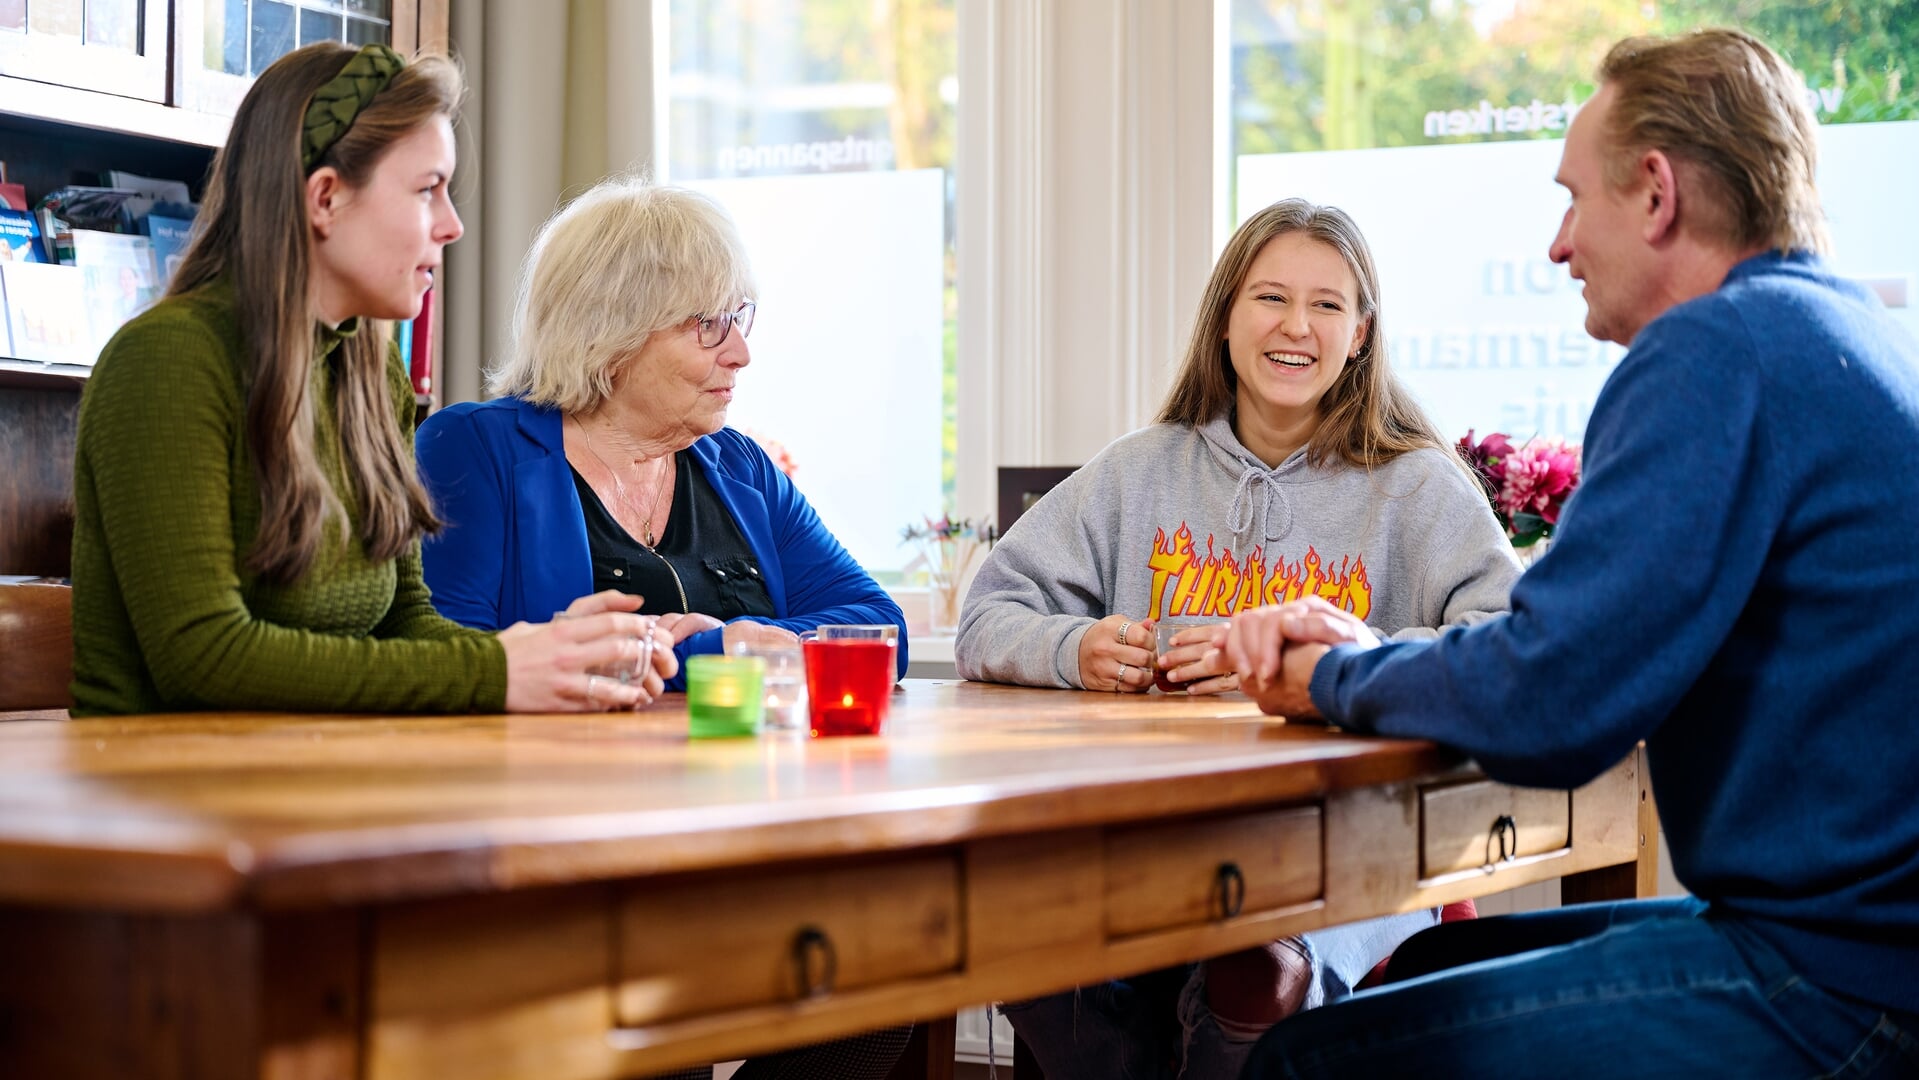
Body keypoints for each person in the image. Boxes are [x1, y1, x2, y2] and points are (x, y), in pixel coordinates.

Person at [1231, 29, 1919, 1079]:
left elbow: (1551, 700)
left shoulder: (1712, 351)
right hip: (1860, 949)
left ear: (1653, 193)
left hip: (1831, 985)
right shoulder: (1836, 329)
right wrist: (1371, 656)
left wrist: (1327, 673)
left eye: (1570, 198)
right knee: (1421, 960)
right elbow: (1574, 654)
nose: (1557, 245)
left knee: (1306, 1061)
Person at [956, 198, 1521, 1078]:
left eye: (1328, 305)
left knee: (1260, 966)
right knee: (1005, 924)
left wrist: (1325, 662)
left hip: (1350, 837)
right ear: (1224, 318)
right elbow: (989, 614)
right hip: (1150, 835)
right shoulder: (1139, 470)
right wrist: (1077, 649)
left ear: (1361, 333)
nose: (1296, 327)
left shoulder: (1419, 487)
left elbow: (1504, 645)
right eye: (1269, 298)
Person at [69, 42, 671, 717]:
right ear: (325, 198)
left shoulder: (369, 366)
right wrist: (497, 670)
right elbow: (203, 656)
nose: (453, 225)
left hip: (317, 776)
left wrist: (554, 661)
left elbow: (405, 617)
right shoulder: (166, 360)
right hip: (157, 793)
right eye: (426, 190)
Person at [416, 178, 906, 689]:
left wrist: (741, 639)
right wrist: (713, 653)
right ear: (612, 334)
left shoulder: (742, 466)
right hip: (556, 767)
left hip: (742, 766)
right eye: (710, 323)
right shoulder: (473, 449)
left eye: (738, 318)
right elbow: (450, 665)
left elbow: (882, 631)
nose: (741, 352)